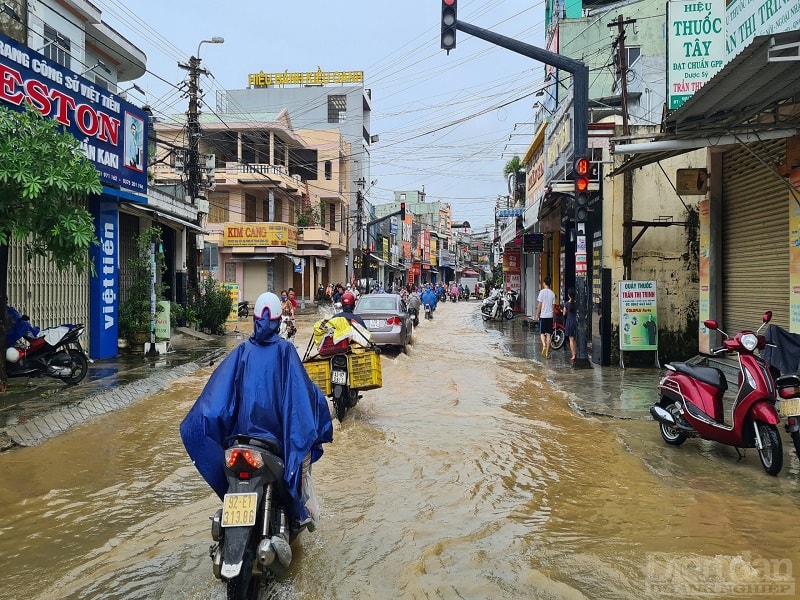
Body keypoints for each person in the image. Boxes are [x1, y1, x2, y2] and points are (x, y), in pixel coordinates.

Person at [179, 292, 333, 527]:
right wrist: (320, 409)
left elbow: (216, 399)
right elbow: (303, 395)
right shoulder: (285, 352)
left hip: (240, 441)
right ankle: (297, 515)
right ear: (279, 320)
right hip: (273, 444)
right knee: (299, 468)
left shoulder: (242, 352)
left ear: (255, 318)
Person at [536, 275, 557, 358]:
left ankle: (544, 345)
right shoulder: (552, 294)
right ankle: (547, 354)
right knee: (549, 335)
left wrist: (537, 315)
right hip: (550, 316)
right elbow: (553, 307)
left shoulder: (542, 292)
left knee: (541, 333)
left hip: (543, 316)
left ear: (544, 283)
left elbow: (539, 305)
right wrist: (554, 317)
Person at [562, 288, 578, 362]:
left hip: (569, 322)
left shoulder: (566, 304)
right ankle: (576, 353)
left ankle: (573, 355)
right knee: (575, 339)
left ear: (568, 295)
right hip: (576, 322)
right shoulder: (577, 303)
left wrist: (563, 311)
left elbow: (564, 314)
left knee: (571, 339)